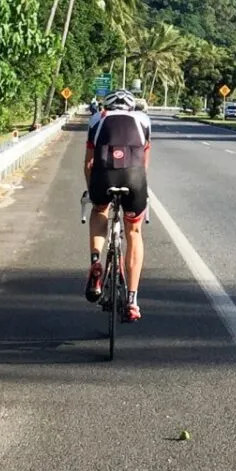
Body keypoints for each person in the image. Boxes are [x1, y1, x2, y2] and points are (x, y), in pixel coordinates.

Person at [85, 90, 151, 320]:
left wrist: (91, 191)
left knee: (99, 209)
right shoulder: (143, 120)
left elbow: (89, 162)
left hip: (103, 177)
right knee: (134, 229)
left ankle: (96, 261)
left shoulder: (98, 118)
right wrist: (141, 190)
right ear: (131, 107)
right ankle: (132, 300)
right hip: (135, 178)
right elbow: (144, 163)